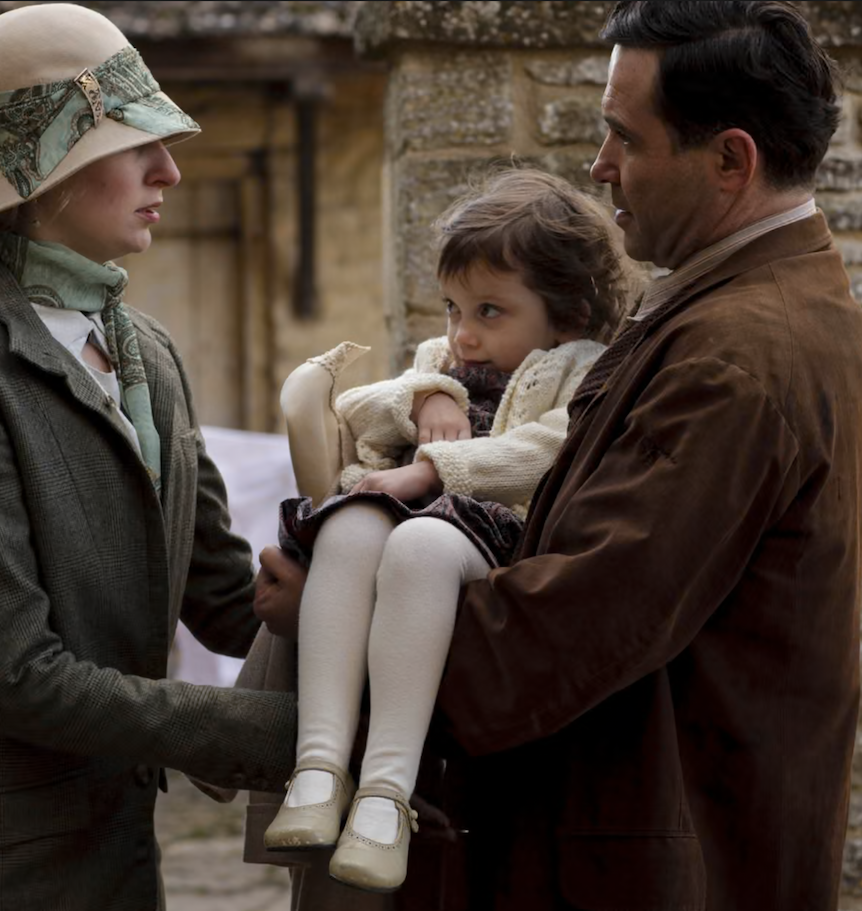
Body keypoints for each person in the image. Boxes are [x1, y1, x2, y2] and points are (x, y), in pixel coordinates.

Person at [254, 2, 862, 908]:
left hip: (649, 855)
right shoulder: (733, 306)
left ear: (731, 159)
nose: (600, 166)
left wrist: (333, 616)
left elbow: (582, 623)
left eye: (625, 136)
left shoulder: (741, 353)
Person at [0, 6, 298, 909]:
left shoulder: (151, 354)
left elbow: (217, 591)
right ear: (47, 168)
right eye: (136, 145)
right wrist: (276, 733)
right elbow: (21, 676)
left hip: (115, 847)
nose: (169, 169)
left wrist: (372, 656)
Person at [260, 170, 631, 893]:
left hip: (488, 533)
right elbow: (359, 407)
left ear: (568, 314)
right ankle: (319, 764)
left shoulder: (582, 371)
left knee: (418, 543)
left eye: (491, 311)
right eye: (454, 306)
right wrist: (421, 393)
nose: (463, 333)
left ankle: (385, 795)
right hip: (405, 517)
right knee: (350, 526)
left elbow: (548, 448)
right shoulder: (441, 361)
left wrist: (435, 467)